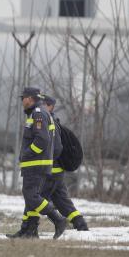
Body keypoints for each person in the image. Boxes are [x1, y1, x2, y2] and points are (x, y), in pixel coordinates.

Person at [7, 87, 62, 239]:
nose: (22, 101)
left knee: (31, 196)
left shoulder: (38, 113)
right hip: (36, 164)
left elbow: (42, 139)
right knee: (31, 198)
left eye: (23, 98)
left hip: (36, 164)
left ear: (30, 98)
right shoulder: (38, 112)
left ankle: (58, 219)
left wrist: (27, 153)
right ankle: (29, 231)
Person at [41, 95, 86, 232]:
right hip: (56, 172)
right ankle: (81, 225)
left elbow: (55, 148)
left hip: (51, 171)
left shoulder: (49, 124)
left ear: (50, 107)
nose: (40, 106)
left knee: (36, 198)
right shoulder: (51, 122)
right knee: (63, 201)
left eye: (43, 104)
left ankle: (33, 227)